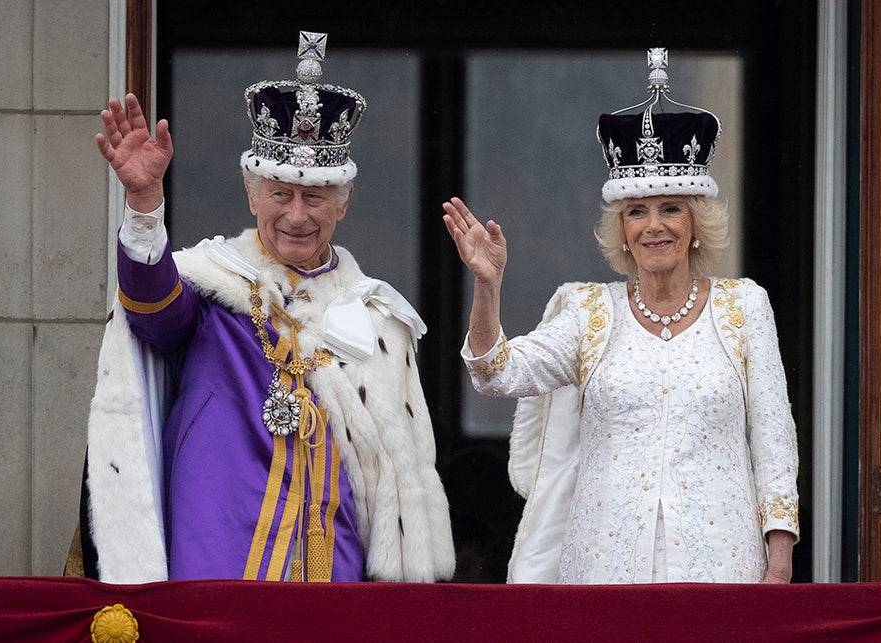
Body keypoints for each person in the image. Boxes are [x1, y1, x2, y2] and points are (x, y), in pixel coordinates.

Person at [76, 31, 454, 583]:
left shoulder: (377, 321)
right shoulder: (214, 291)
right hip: (218, 554)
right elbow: (154, 310)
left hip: (333, 564)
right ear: (253, 195)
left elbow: (393, 487)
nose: (296, 215)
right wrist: (143, 206)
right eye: (280, 194)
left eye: (314, 197)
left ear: (341, 205)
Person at [442, 48, 799, 584]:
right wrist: (487, 287)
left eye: (671, 207)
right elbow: (497, 373)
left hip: (723, 568)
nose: (654, 226)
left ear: (696, 221)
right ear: (623, 230)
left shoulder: (744, 306)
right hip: (605, 570)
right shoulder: (589, 312)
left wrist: (779, 558)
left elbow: (773, 439)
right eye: (637, 211)